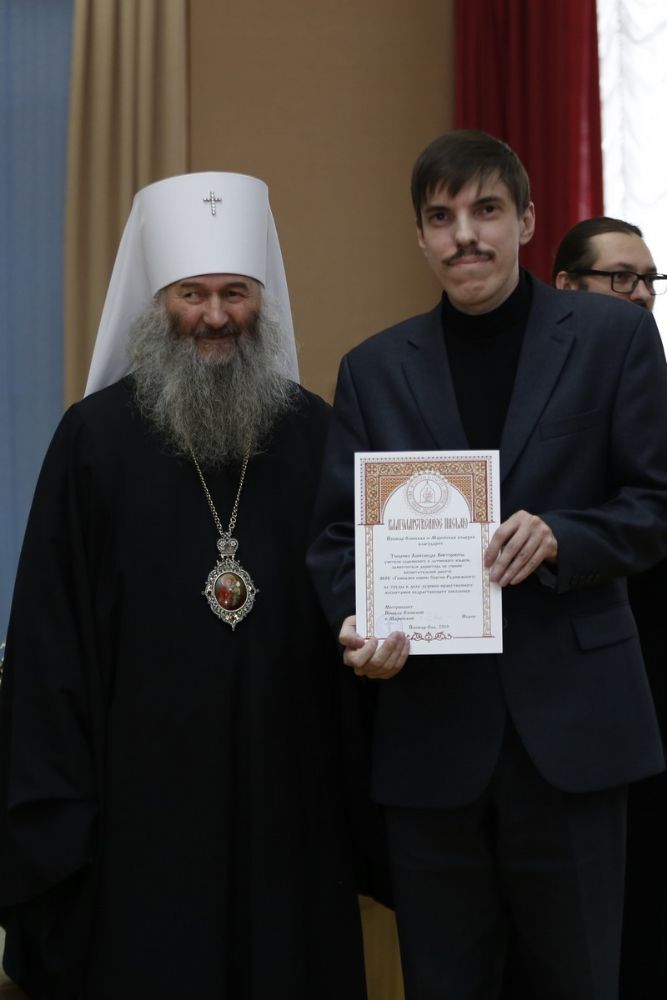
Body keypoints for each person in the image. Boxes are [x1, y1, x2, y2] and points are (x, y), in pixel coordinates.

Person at [307, 131, 667, 999]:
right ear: (419, 236)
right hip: (432, 739)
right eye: (441, 217)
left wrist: (564, 537)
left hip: (574, 731)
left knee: (579, 980)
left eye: (486, 210)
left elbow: (653, 504)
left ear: (526, 222)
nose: (463, 234)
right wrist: (357, 621)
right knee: (444, 982)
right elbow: (335, 541)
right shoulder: (374, 369)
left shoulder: (614, 337)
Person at [0, 172, 371, 999]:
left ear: (261, 300)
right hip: (140, 809)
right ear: (157, 301)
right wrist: (62, 822)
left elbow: (351, 596)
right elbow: (50, 644)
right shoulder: (92, 440)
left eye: (234, 292)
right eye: (191, 294)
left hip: (288, 796)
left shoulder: (313, 431)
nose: (214, 316)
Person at [553, 216, 667, 999]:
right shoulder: (542, 405)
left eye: (647, 282)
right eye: (618, 278)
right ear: (565, 287)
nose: (638, 296)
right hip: (573, 693)